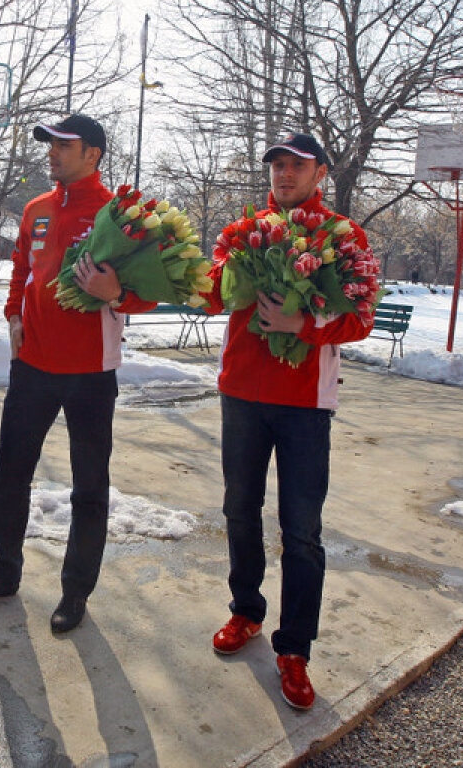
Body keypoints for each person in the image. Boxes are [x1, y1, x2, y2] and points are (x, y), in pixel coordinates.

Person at [0, 114, 155, 633]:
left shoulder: (120, 213)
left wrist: (120, 296)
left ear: (92, 154)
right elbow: (22, 265)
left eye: (62, 146)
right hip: (33, 365)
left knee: (89, 487)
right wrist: (14, 315)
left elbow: (149, 289)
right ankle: (4, 569)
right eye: (50, 144)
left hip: (91, 370)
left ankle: (75, 591)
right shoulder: (37, 209)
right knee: (11, 473)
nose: (51, 153)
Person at [202, 132, 377, 710]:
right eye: (276, 164)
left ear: (320, 172)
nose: (283, 173)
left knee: (301, 529)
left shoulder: (343, 237)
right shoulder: (242, 233)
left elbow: (359, 320)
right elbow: (212, 294)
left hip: (305, 402)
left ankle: (294, 648)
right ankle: (245, 611)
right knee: (238, 508)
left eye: (295, 165)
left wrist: (305, 322)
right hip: (242, 394)